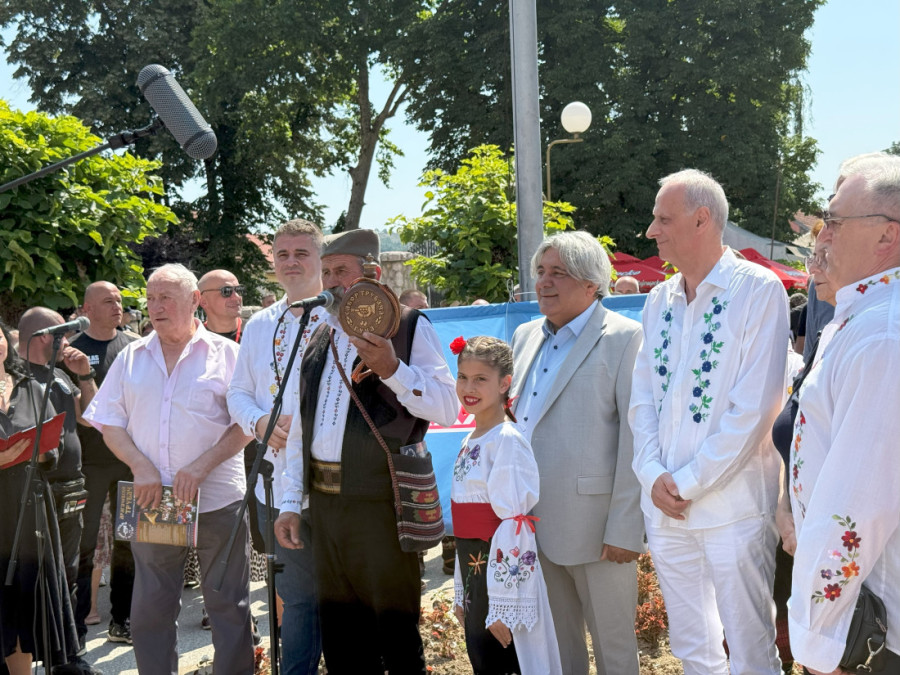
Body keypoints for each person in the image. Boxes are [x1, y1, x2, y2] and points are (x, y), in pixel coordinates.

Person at [274, 228, 458, 674]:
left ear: (372, 274)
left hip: (382, 507)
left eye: (342, 271)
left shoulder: (410, 326)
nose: (332, 282)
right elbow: (300, 430)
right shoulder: (315, 338)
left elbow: (448, 407)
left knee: (395, 635)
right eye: (327, 272)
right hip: (327, 509)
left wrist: (392, 369)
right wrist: (288, 504)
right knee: (342, 640)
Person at [629, 169, 789, 675]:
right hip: (665, 508)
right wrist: (653, 475)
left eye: (662, 219)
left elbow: (757, 408)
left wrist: (689, 483)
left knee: (750, 649)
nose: (652, 231)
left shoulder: (758, 290)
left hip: (733, 510)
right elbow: (642, 400)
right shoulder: (659, 300)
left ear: (702, 220)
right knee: (692, 647)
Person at [83, 264, 255, 675]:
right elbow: (108, 421)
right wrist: (139, 465)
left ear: (195, 300)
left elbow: (247, 424)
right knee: (149, 613)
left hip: (216, 500)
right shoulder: (131, 356)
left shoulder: (228, 354)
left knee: (229, 609)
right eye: (150, 298)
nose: (155, 307)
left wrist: (201, 465)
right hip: (152, 501)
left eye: (166, 298)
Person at [510, 231, 644, 675]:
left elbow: (634, 437)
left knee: (615, 652)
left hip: (598, 529)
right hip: (529, 522)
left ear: (592, 283)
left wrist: (626, 527)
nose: (543, 283)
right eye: (540, 272)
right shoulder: (525, 335)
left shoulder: (625, 337)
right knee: (556, 652)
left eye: (558, 274)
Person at [788, 159, 900, 673]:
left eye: (833, 221)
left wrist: (820, 640)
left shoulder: (882, 335)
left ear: (887, 237)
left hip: (876, 629)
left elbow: (857, 504)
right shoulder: (864, 319)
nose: (820, 235)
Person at [227, 220, 326, 674]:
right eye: (282, 254)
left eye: (301, 253)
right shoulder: (260, 324)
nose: (291, 262)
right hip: (273, 484)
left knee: (347, 594)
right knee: (298, 596)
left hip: (333, 483)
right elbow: (238, 393)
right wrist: (260, 421)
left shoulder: (341, 316)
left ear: (320, 258)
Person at [450, 335, 561, 675]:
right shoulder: (473, 438)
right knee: (483, 660)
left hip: (499, 580)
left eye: (480, 379)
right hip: (476, 573)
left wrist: (505, 603)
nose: (469, 386)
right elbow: (463, 525)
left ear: (504, 384)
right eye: (463, 377)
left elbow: (515, 525)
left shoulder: (506, 441)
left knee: (506, 662)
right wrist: (460, 586)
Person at [0, 321, 91, 675]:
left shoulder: (28, 387)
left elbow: (53, 444)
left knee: (23, 603)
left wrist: (35, 453)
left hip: (28, 509)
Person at [770, 235, 837, 673]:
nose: (814, 265)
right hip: (800, 520)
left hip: (842, 549)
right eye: (814, 252)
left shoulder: (881, 331)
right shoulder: (824, 298)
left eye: (824, 252)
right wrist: (785, 501)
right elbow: (801, 409)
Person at [69, 281, 137, 649]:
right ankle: (76, 627)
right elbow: (82, 416)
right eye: (108, 301)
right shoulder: (72, 352)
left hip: (127, 461)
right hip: (90, 464)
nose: (117, 306)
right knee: (85, 543)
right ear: (87, 309)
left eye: (119, 300)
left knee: (127, 539)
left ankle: (121, 620)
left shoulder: (134, 346)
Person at [17, 309, 97, 591]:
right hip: (38, 490)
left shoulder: (62, 375)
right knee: (39, 576)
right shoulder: (14, 376)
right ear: (46, 338)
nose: (68, 345)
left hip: (72, 486)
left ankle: (70, 633)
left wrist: (85, 376)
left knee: (68, 573)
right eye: (63, 338)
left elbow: (90, 417)